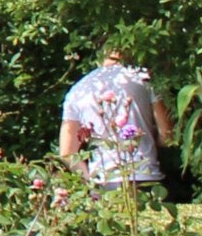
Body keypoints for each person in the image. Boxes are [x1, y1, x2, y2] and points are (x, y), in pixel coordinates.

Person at [59, 47, 176, 192]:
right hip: (145, 174)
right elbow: (168, 135)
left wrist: (91, 181)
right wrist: (152, 142)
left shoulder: (78, 90)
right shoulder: (144, 78)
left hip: (104, 179)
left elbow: (67, 152)